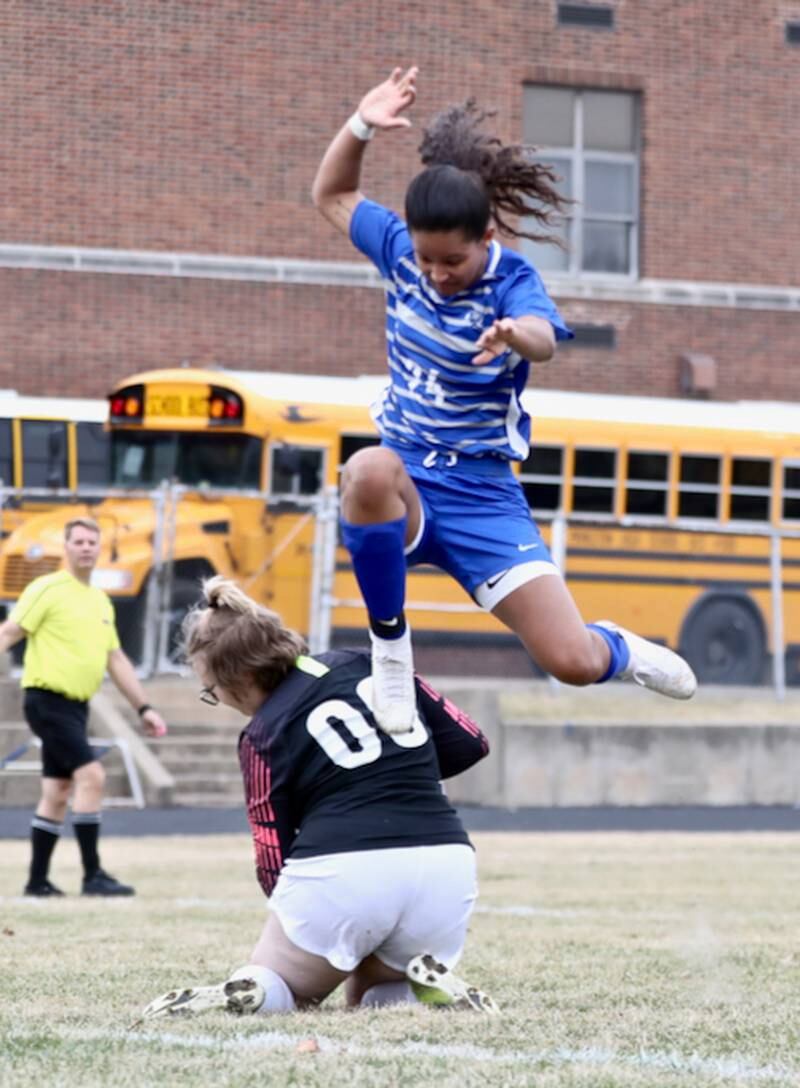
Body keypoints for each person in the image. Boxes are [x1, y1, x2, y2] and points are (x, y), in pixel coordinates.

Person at [311, 66, 697, 734]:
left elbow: (545, 340)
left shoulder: (512, 280)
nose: (436, 276)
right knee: (365, 469)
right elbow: (333, 191)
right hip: (408, 479)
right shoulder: (401, 252)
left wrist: (514, 333)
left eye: (451, 263)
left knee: (570, 661)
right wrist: (361, 124)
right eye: (427, 261)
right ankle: (392, 659)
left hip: (484, 495)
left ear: (487, 238)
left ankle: (622, 649)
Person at [140, 576, 497, 1021]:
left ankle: (257, 989)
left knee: (286, 989)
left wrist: (298, 922)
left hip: (345, 868)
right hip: (448, 865)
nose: (220, 700)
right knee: (372, 993)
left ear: (241, 678)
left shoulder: (262, 734)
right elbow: (471, 741)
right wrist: (395, 773)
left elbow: (272, 855)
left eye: (212, 692)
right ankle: (416, 992)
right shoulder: (368, 662)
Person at [0, 516, 168, 897]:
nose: (86, 547)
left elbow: (117, 660)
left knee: (58, 791)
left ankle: (36, 881)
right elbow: (10, 631)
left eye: (93, 542)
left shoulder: (100, 601)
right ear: (66, 546)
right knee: (92, 776)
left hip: (77, 707)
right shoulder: (47, 588)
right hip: (46, 701)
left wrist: (144, 708)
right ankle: (93, 875)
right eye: (78, 541)